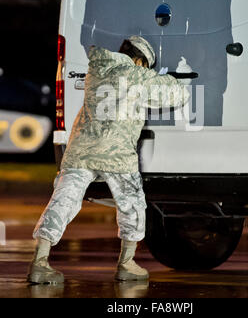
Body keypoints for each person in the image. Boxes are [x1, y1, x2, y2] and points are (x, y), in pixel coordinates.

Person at [27, 36, 190, 284]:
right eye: (145, 65)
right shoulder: (135, 75)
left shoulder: (96, 69)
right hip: (116, 152)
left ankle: (39, 262)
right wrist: (168, 78)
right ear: (139, 60)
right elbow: (175, 94)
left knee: (63, 201)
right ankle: (127, 264)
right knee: (132, 204)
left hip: (81, 149)